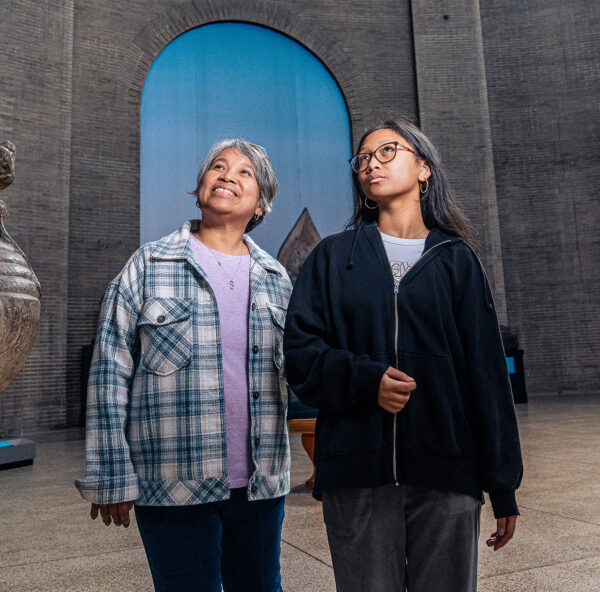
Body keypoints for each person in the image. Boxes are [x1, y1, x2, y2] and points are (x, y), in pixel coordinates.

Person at [283, 118, 523, 592]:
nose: (371, 163)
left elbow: (487, 378)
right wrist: (364, 381)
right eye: (364, 158)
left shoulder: (457, 259)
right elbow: (301, 355)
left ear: (424, 169)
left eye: (387, 151)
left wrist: (503, 485)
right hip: (357, 472)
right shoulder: (333, 257)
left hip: (446, 469)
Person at [75, 139, 292, 592]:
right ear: (199, 188)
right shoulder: (148, 265)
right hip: (172, 483)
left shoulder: (277, 279)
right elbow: (108, 372)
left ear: (261, 203)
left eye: (245, 172)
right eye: (218, 166)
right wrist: (111, 473)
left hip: (260, 486)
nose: (228, 175)